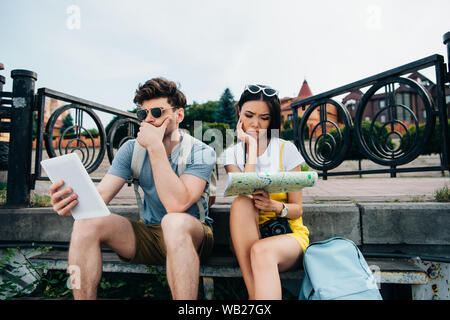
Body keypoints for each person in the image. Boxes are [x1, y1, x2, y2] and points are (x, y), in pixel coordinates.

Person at [49, 77, 216, 300]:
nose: (148, 120)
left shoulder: (201, 151)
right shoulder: (132, 149)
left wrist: (155, 147)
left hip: (193, 236)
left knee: (173, 221)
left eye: (157, 112)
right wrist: (71, 201)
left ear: (179, 115)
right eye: (143, 114)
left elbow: (177, 205)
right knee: (85, 223)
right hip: (148, 234)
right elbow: (100, 198)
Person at [222, 84, 309, 300]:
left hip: (286, 235)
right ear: (239, 113)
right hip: (247, 236)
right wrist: (251, 146)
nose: (255, 123)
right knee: (242, 201)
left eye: (264, 118)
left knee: (262, 251)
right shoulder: (231, 155)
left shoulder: (285, 149)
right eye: (249, 115)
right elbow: (244, 187)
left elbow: (297, 209)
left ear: (272, 120)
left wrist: (274, 206)